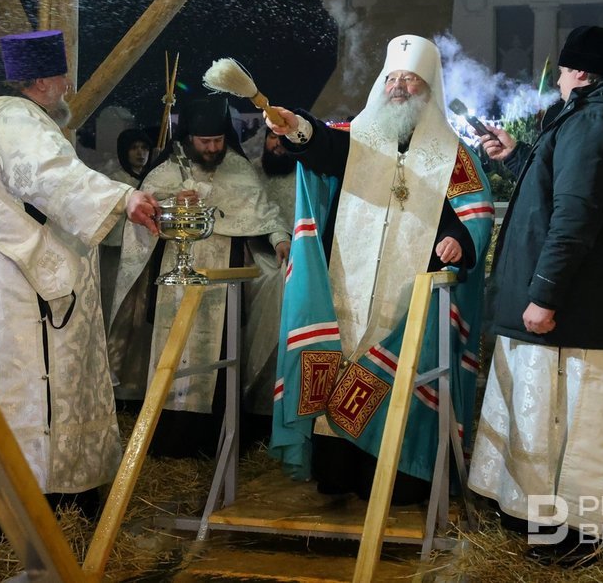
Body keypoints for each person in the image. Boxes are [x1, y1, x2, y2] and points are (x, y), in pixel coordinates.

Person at [0, 29, 160, 539]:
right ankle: (36, 500)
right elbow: (51, 176)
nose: (68, 86)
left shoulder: (4, 117)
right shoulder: (16, 120)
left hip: (19, 285)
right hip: (25, 294)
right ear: (42, 80)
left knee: (34, 386)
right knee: (32, 387)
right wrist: (124, 198)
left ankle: (55, 490)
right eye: (62, 76)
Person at [264, 34, 495, 505]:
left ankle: (401, 478)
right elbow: (322, 144)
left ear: (428, 89)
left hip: (410, 298)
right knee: (344, 366)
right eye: (392, 78)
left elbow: (473, 213)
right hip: (347, 285)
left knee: (404, 375)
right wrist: (296, 128)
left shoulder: (451, 153)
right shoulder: (358, 137)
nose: (399, 87)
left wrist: (458, 239)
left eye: (410, 79)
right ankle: (337, 473)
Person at [469, 25, 603, 566]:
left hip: (584, 311)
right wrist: (517, 156)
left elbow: (576, 214)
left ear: (578, 71)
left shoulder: (594, 119)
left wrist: (545, 295)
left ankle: (581, 537)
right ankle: (562, 525)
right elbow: (563, 187)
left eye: (560, 70)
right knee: (570, 421)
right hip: (593, 307)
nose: (556, 80)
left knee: (585, 428)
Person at [108, 95, 290, 457]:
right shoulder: (166, 171)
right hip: (173, 279)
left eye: (218, 141)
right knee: (172, 350)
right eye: (205, 142)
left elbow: (263, 211)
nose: (212, 149)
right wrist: (172, 203)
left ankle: (214, 444)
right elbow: (142, 213)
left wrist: (279, 238)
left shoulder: (239, 168)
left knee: (220, 354)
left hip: (224, 279)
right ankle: (169, 441)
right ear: (189, 137)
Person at [243, 129, 298, 419]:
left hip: (297, 255)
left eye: (284, 138)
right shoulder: (250, 172)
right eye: (273, 137)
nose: (278, 144)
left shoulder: (306, 173)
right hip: (255, 253)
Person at [99, 128, 153, 330]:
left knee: (140, 306)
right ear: (124, 150)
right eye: (134, 148)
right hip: (117, 251)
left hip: (145, 252)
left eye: (144, 148)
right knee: (115, 303)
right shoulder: (113, 181)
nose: (140, 153)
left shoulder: (153, 180)